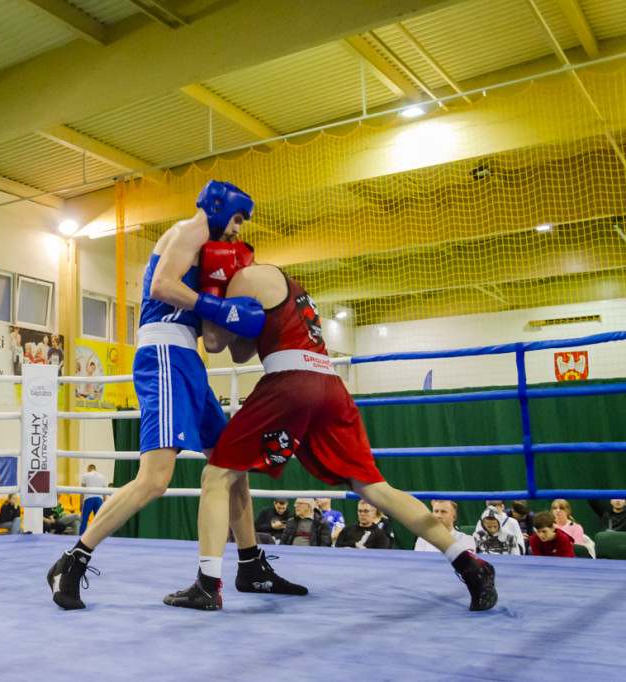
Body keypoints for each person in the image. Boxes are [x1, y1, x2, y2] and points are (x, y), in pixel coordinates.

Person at [179, 250, 496, 610]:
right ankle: (468, 562)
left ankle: (207, 584)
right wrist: (227, 312)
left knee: (216, 475)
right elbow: (241, 353)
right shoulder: (284, 285)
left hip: (290, 383)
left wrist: (207, 299)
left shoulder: (244, 278)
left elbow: (216, 344)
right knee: (373, 486)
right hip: (330, 386)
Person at [49, 180, 278, 611]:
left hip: (186, 357)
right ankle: (73, 559)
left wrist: (234, 316)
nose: (239, 228)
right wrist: (218, 308)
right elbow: (162, 287)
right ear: (217, 206)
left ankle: (250, 564)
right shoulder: (189, 232)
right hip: (164, 354)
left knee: (231, 462)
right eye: (237, 217)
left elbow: (210, 342)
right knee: (155, 480)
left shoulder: (210, 252)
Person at [78, 464, 107, 535]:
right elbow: (105, 492)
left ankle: (80, 537)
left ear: (88, 469)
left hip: (88, 498)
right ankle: (100, 536)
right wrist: (104, 503)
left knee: (84, 520)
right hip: (99, 499)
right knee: (99, 520)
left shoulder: (85, 475)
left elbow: (82, 490)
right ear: (95, 469)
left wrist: (80, 503)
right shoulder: (102, 476)